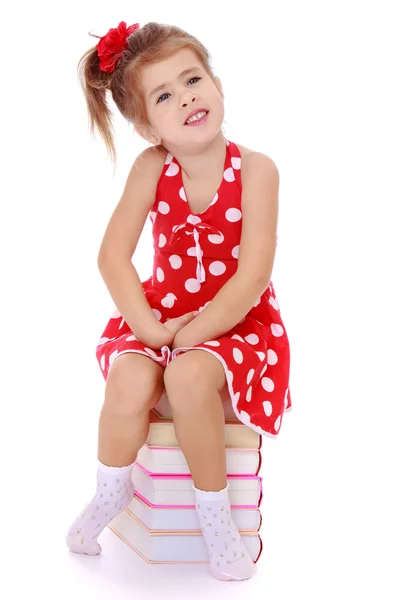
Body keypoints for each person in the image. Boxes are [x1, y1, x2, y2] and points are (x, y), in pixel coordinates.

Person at [66, 20, 292, 582]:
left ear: (215, 82)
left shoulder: (257, 170)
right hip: (160, 314)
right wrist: (150, 330)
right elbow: (113, 257)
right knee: (129, 382)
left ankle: (215, 517)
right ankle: (110, 491)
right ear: (147, 126)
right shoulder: (152, 168)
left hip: (238, 321)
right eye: (164, 95)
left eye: (193, 78)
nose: (187, 96)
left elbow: (251, 275)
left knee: (189, 379)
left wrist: (189, 338)